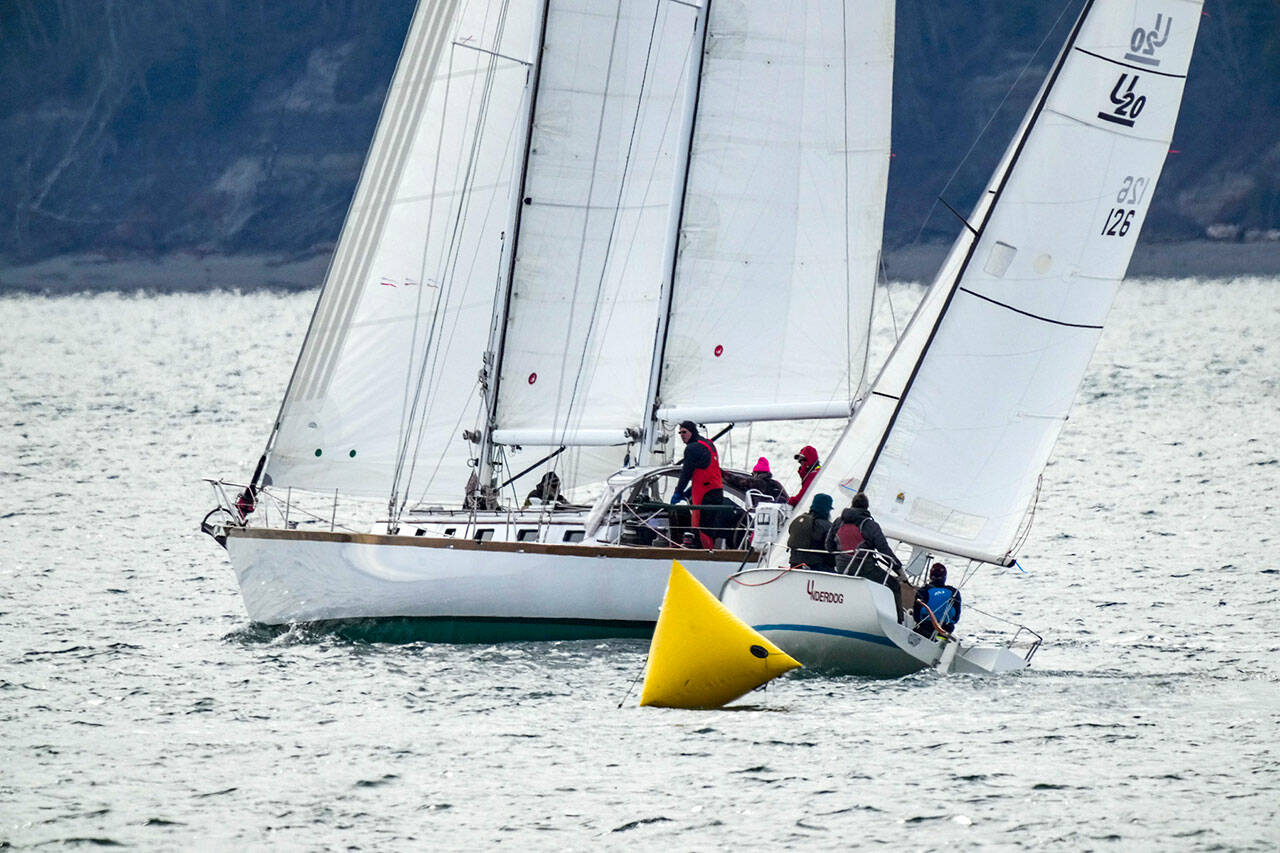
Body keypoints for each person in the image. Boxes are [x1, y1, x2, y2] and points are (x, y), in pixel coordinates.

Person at [826, 491, 909, 621]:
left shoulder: (838, 521)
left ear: (852, 504)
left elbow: (829, 546)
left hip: (842, 567)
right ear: (866, 508)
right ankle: (897, 622)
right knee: (893, 585)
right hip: (864, 568)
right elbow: (884, 550)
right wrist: (898, 569)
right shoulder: (870, 525)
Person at [670, 421, 726, 548]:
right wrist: (688, 492)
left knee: (699, 526)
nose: (682, 435)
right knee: (709, 526)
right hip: (716, 490)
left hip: (705, 494)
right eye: (680, 433)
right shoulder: (708, 444)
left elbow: (686, 472)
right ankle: (710, 550)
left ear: (692, 432)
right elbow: (706, 470)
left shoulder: (692, 448)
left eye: (684, 432)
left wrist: (678, 492)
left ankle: (705, 553)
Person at [785, 492, 835, 570]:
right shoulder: (827, 526)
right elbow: (830, 549)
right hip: (816, 566)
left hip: (794, 564)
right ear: (827, 509)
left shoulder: (798, 520)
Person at [913, 562, 962, 637]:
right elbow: (956, 619)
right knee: (942, 637)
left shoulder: (923, 591)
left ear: (930, 576)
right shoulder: (954, 592)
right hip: (945, 630)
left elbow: (916, 616)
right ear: (945, 577)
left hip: (925, 629)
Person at [722, 456, 789, 506]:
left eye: (752, 474)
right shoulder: (777, 484)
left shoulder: (758, 482)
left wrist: (721, 472)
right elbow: (787, 500)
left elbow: (738, 481)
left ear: (756, 473)